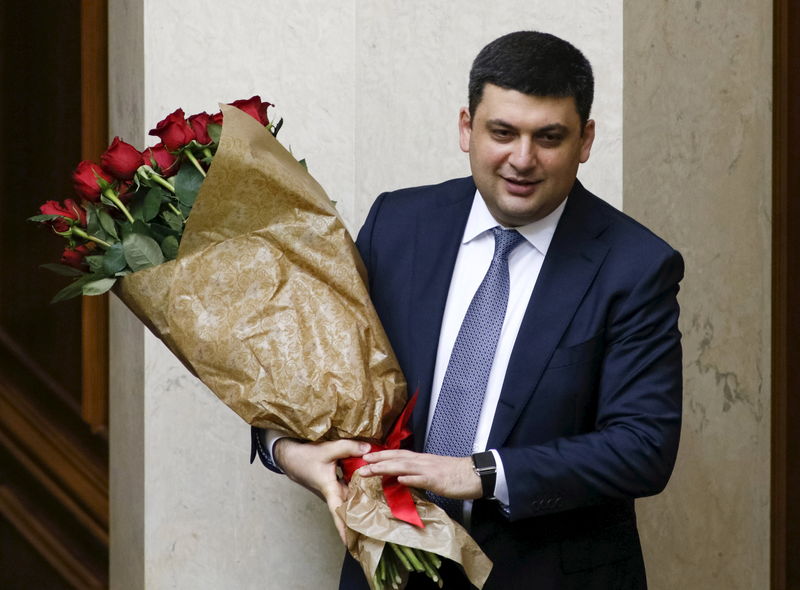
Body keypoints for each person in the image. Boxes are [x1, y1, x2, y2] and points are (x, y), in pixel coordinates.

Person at [252, 30, 683, 589]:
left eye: (549, 137)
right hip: (389, 569)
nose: (522, 160)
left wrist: (479, 474)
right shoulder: (398, 224)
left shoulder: (637, 265)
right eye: (502, 132)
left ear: (586, 140)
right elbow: (309, 360)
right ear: (466, 127)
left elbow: (642, 447)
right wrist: (286, 450)